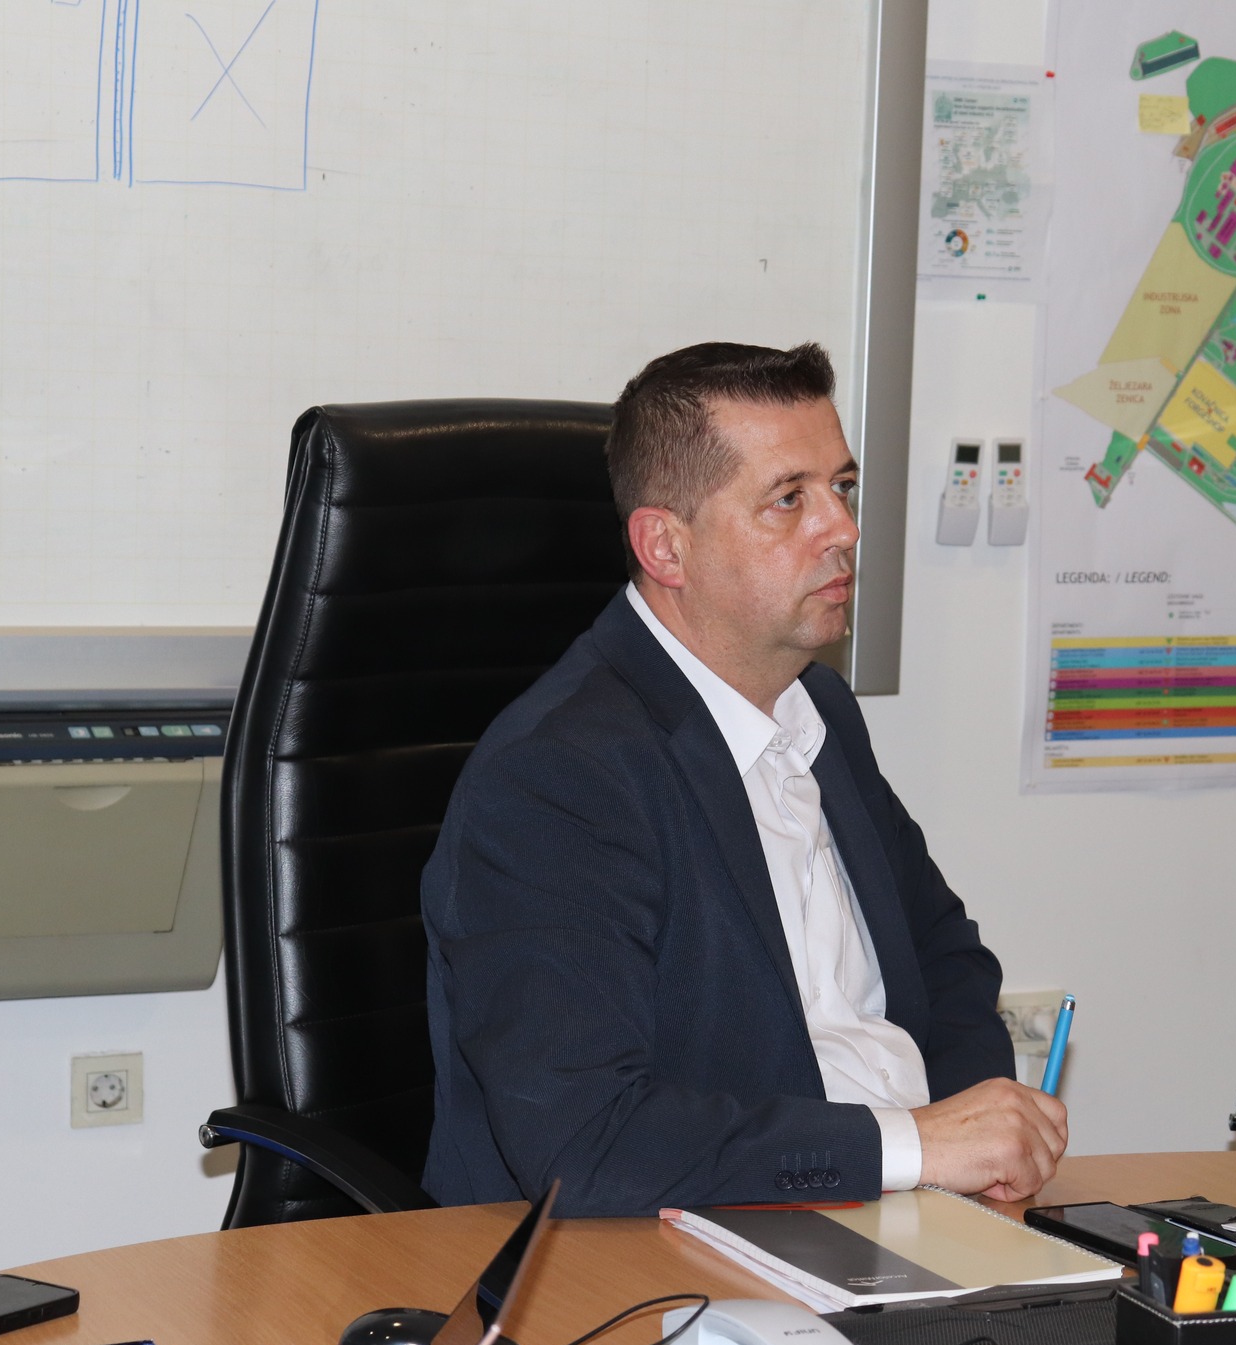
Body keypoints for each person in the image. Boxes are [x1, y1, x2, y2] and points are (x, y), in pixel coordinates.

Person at [421, 341, 1067, 1216]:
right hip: (673, 1248)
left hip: (893, 1214)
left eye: (842, 486)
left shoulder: (818, 710)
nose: (843, 529)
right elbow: (585, 1142)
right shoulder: (556, 778)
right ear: (665, 546)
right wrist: (916, 1144)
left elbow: (945, 960)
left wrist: (981, 1148)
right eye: (789, 499)